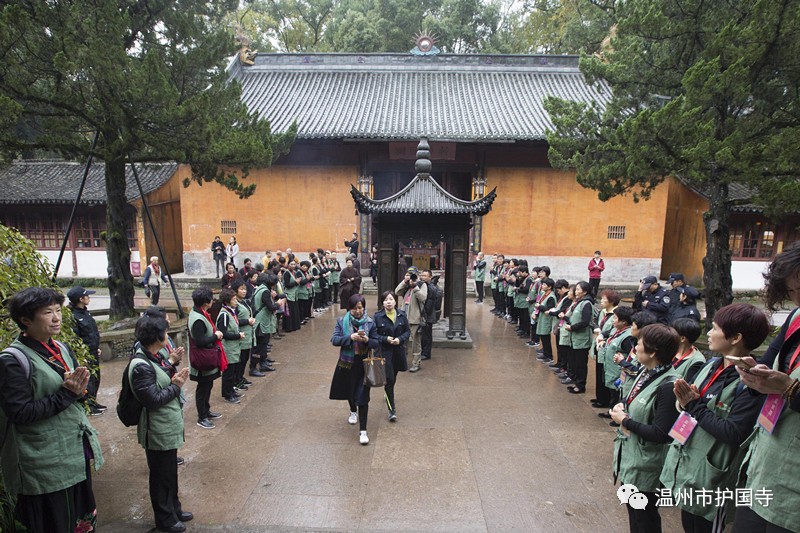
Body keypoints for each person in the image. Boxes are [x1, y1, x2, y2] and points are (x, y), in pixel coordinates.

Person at [0, 287, 104, 533]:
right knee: (55, 522)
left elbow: (74, 392)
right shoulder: (12, 360)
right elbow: (20, 412)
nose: (57, 317)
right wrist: (67, 394)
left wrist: (79, 390)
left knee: (82, 520)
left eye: (58, 310)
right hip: (43, 463)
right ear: (26, 320)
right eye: (48, 312)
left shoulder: (60, 348)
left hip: (73, 454)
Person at [661, 303, 769, 533]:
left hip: (713, 477)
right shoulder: (711, 365)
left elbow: (734, 432)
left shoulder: (751, 382)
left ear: (736, 337)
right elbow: (689, 406)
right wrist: (683, 402)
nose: (708, 333)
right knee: (689, 523)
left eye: (714, 328)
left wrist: (693, 405)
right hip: (690, 467)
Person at [731, 242, 800, 533]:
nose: (796, 299)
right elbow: (771, 362)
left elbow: (787, 385)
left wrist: (788, 388)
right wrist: (756, 375)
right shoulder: (796, 319)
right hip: (764, 463)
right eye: (792, 292)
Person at [610, 323, 681, 533]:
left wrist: (625, 421)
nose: (635, 347)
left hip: (647, 465)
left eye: (639, 343)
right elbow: (634, 398)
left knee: (645, 517)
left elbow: (661, 433)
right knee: (635, 514)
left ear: (653, 352)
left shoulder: (668, 386)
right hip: (632, 458)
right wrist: (624, 405)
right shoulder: (646, 371)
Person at [130, 315, 193, 533]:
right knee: (160, 475)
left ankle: (174, 509)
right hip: (156, 428)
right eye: (165, 332)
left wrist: (171, 363)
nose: (168, 336)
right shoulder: (140, 365)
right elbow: (152, 399)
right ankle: (164, 519)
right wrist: (176, 386)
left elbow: (159, 376)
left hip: (167, 425)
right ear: (157, 337)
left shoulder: (155, 356)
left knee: (169, 472)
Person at [329, 294, 379, 445]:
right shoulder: (341, 321)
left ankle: (363, 431)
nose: (357, 311)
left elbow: (376, 343)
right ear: (349, 309)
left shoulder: (370, 323)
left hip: (364, 363)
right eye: (354, 308)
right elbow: (335, 340)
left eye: (360, 308)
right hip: (347, 363)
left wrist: (367, 340)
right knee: (350, 391)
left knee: (363, 396)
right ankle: (352, 410)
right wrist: (350, 337)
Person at [187, 287, 223, 430]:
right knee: (202, 388)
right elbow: (200, 341)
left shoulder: (200, 313)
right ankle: (201, 417)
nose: (212, 301)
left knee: (208, 385)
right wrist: (216, 336)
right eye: (211, 299)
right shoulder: (197, 319)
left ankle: (206, 411)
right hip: (201, 359)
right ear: (205, 302)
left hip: (206, 357)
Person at [372, 291, 411, 422]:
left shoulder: (401, 315)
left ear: (395, 301)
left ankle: (388, 390)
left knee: (393, 376)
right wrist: (385, 339)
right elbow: (374, 335)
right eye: (386, 300)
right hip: (384, 351)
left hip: (398, 351)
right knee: (388, 379)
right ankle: (392, 409)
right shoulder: (377, 317)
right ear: (382, 302)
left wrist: (400, 339)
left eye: (391, 299)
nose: (388, 302)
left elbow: (407, 331)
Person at [67, 285, 105, 415]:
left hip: (93, 351)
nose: (89, 297)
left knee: (96, 377)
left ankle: (92, 401)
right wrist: (80, 354)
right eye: (87, 296)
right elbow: (74, 338)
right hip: (85, 354)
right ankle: (88, 405)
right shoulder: (73, 316)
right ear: (81, 299)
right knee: (88, 380)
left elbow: (92, 332)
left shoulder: (86, 312)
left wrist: (96, 347)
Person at [215, 288, 246, 404]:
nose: (236, 301)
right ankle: (227, 394)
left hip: (234, 348)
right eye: (233, 299)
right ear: (227, 301)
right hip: (228, 348)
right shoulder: (224, 314)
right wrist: (238, 335)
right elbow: (223, 334)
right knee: (228, 373)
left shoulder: (230, 311)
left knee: (232, 371)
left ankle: (231, 390)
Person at [395, 266, 428, 373]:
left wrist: (416, 287)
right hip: (403, 317)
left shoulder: (422, 285)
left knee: (415, 342)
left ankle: (416, 363)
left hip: (415, 318)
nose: (411, 278)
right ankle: (402, 361)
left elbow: (423, 297)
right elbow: (397, 292)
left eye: (413, 275)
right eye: (409, 275)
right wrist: (405, 281)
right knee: (402, 340)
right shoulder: (406, 285)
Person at [591, 289, 621, 407]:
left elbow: (613, 330)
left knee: (606, 375)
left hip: (607, 348)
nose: (602, 301)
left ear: (612, 301)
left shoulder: (616, 314)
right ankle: (600, 397)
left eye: (604, 299)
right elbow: (594, 321)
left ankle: (605, 400)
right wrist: (596, 328)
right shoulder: (602, 312)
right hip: (599, 345)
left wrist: (603, 333)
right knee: (599, 372)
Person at [564, 281, 594, 394]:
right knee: (575, 362)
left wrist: (572, 327)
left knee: (581, 364)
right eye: (575, 289)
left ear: (585, 292)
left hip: (582, 338)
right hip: (575, 338)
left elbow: (585, 322)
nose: (576, 292)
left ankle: (581, 386)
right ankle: (576, 383)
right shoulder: (578, 302)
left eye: (578, 289)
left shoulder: (586, 304)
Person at [420, 269, 441, 361]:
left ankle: (426, 353)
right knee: (424, 334)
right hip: (426, 314)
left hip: (428, 315)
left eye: (425, 276)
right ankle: (423, 352)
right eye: (422, 275)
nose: (423, 277)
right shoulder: (424, 286)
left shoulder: (431, 288)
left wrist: (423, 314)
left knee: (427, 335)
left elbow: (430, 303)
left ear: (430, 277)